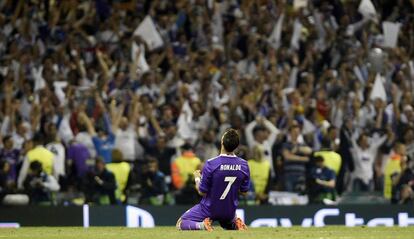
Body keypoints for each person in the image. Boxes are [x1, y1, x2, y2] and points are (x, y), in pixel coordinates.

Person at [176, 129, 250, 231]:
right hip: (229, 210)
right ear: (236, 145)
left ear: (222, 142)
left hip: (209, 209)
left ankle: (203, 225)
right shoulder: (244, 165)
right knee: (227, 224)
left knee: (180, 223)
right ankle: (236, 224)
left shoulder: (212, 164)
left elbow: (202, 192)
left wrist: (197, 178)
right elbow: (244, 192)